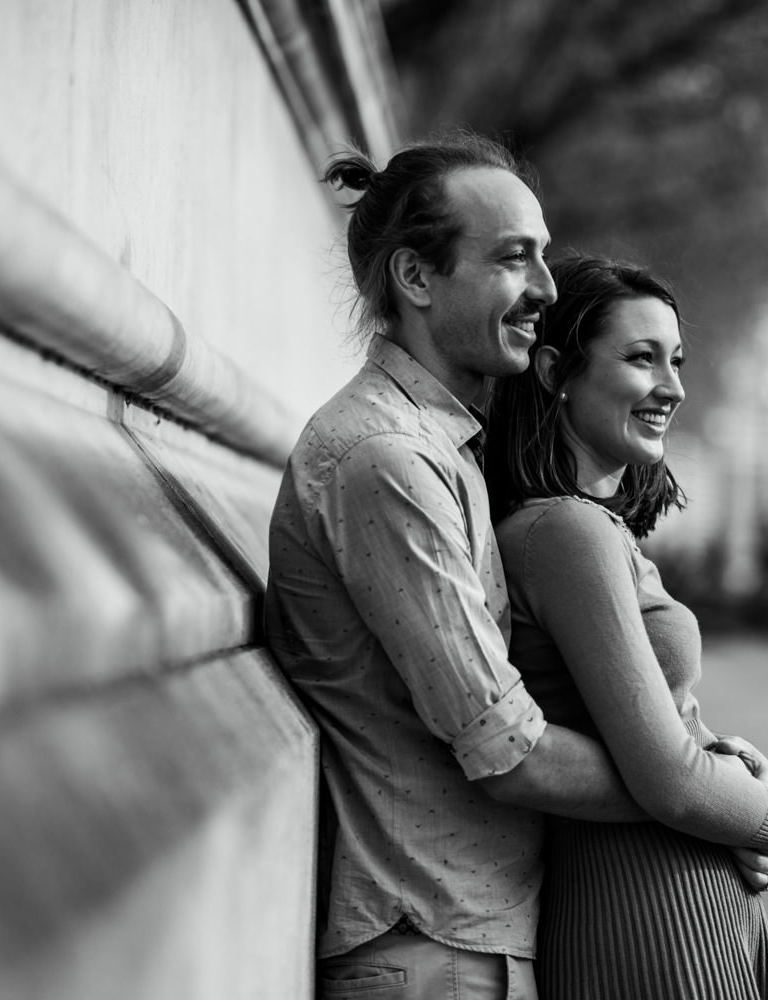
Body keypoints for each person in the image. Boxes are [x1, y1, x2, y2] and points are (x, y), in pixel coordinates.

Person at [264, 135, 661, 998]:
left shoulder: (443, 450)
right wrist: (690, 786)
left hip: (464, 940)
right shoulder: (386, 460)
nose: (547, 291)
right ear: (416, 278)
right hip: (430, 953)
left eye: (544, 257)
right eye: (515, 259)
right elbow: (507, 750)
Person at [485, 254, 768, 999]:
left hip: (675, 896)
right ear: (553, 371)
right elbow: (666, 777)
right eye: (642, 359)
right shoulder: (564, 532)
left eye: (675, 360)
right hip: (648, 910)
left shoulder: (594, 531)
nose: (672, 387)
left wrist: (732, 769)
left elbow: (654, 731)